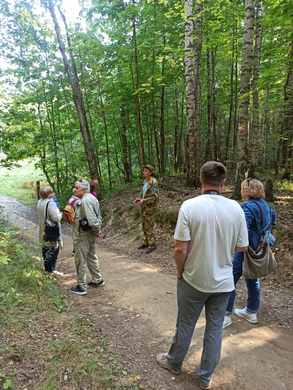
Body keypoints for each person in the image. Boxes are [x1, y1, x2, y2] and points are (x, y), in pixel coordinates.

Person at [156, 161, 248, 390]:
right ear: (223, 183)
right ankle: (205, 377)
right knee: (215, 328)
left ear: (201, 180)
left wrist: (180, 270)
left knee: (185, 324)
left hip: (194, 279)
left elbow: (180, 248)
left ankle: (175, 363)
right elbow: (242, 247)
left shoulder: (189, 206)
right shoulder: (236, 208)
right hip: (224, 282)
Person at [223, 178, 277, 328]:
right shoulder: (265, 204)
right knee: (253, 279)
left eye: (242, 188)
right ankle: (251, 311)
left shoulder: (247, 207)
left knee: (229, 280)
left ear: (246, 191)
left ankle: (225, 315)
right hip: (260, 249)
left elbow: (242, 230)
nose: (241, 191)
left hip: (246, 250)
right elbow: (273, 221)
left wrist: (236, 247)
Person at [71, 179, 105, 295]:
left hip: (83, 236)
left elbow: (93, 220)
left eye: (76, 187)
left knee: (81, 260)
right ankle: (97, 279)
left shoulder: (85, 201)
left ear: (83, 189)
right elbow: (98, 216)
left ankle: (81, 287)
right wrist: (97, 230)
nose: (74, 190)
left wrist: (97, 230)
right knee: (91, 257)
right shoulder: (92, 198)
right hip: (89, 235)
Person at [37, 186, 63, 275]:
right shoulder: (50, 203)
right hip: (51, 228)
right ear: (48, 194)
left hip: (43, 228)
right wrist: (60, 214)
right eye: (52, 191)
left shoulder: (40, 202)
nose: (53, 192)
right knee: (53, 249)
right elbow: (55, 218)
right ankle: (51, 270)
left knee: (45, 248)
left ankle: (47, 268)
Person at [133, 165, 159, 254]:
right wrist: (140, 200)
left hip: (150, 208)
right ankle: (146, 242)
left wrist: (144, 201)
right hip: (144, 207)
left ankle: (152, 245)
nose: (144, 172)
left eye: (146, 171)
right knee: (144, 225)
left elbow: (155, 197)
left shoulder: (153, 182)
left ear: (150, 173)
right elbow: (144, 194)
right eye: (144, 170)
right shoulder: (145, 182)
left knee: (149, 226)